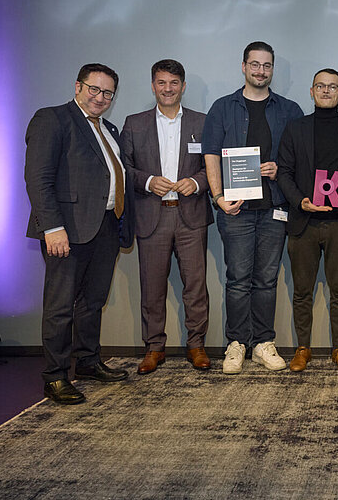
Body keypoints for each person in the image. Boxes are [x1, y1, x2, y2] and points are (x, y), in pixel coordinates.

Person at [25, 63, 132, 404]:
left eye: (107, 93)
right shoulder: (52, 119)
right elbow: (38, 178)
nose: (100, 97)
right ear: (78, 86)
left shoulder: (110, 129)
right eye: (94, 89)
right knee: (60, 306)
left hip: (104, 227)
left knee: (93, 301)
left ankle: (87, 361)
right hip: (67, 230)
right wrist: (53, 228)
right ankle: (55, 376)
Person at [202, 41, 304, 374]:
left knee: (266, 280)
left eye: (267, 65)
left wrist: (280, 169)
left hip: (274, 207)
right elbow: (211, 155)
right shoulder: (222, 107)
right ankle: (236, 343)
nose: (261, 71)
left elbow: (299, 158)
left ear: (272, 69)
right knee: (237, 280)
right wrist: (218, 197)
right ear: (243, 66)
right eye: (255, 64)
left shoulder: (289, 110)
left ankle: (263, 342)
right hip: (235, 210)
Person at [120, 59, 213, 375]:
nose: (168, 88)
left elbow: (211, 168)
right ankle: (154, 347)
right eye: (161, 82)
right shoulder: (134, 123)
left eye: (174, 83)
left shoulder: (203, 122)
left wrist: (197, 182)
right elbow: (124, 170)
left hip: (191, 217)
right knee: (152, 287)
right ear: (152, 85)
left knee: (196, 287)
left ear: (183, 86)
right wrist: (147, 181)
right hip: (152, 216)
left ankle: (196, 345)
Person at [277, 69, 338, 373]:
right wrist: (299, 200)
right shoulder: (295, 128)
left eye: (333, 87)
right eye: (321, 86)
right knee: (302, 291)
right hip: (304, 221)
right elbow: (284, 173)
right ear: (311, 91)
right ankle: (303, 348)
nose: (327, 91)